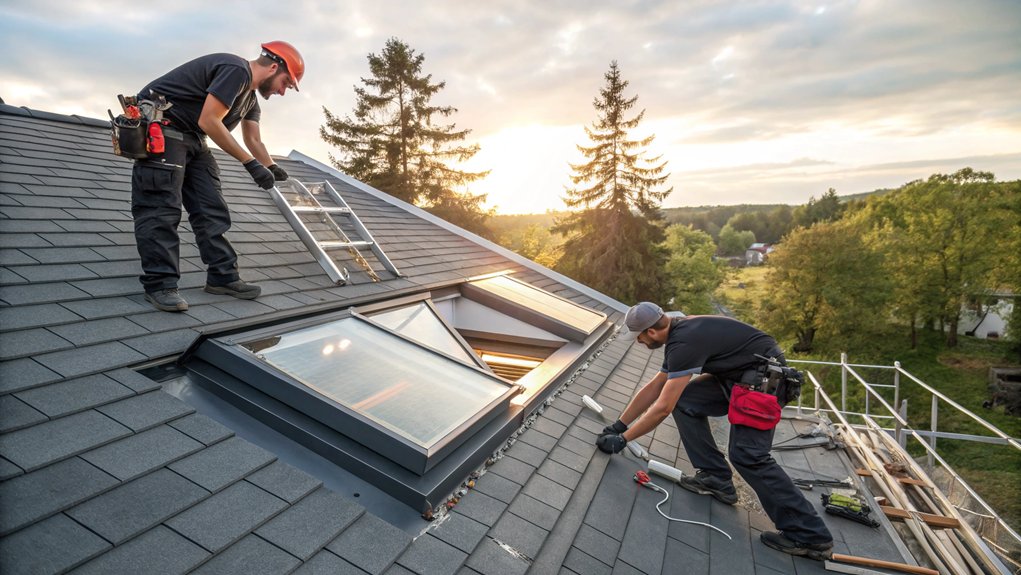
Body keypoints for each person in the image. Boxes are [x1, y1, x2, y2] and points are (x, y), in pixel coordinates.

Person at [596, 302, 834, 560]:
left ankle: (810, 535)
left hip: (765, 381)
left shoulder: (684, 342)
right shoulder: (680, 332)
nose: (639, 342)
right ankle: (716, 478)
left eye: (639, 337)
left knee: (748, 455)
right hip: (740, 376)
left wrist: (623, 439)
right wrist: (619, 425)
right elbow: (657, 385)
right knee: (686, 401)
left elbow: (663, 407)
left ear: (651, 331)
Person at [130, 41, 304, 312]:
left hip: (194, 139)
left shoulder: (249, 97)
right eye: (286, 83)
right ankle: (160, 285)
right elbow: (209, 121)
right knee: (161, 210)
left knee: (211, 207)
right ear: (273, 67)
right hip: (164, 130)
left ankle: (222, 277)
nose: (282, 91)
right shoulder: (236, 70)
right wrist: (249, 164)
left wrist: (270, 166)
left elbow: (253, 139)